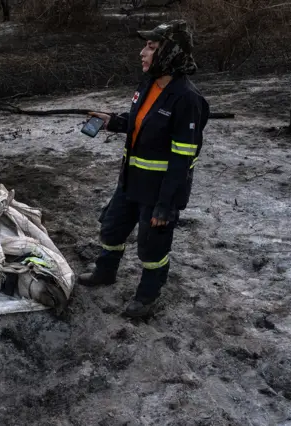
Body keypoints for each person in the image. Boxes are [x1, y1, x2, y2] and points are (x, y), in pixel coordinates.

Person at [80, 20, 210, 318]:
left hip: (159, 191)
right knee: (111, 229)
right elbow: (142, 124)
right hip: (130, 182)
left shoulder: (187, 100)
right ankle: (105, 272)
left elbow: (183, 159)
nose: (142, 53)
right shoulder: (149, 84)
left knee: (152, 251)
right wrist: (112, 121)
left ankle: (147, 296)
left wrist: (165, 206)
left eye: (151, 48)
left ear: (171, 54)